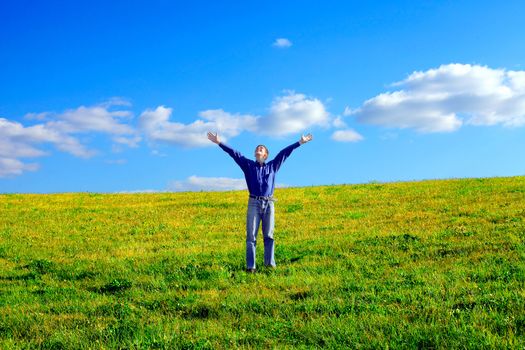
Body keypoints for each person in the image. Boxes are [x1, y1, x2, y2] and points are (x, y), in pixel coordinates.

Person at [207, 131, 313, 273]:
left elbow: (284, 153)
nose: (258, 149)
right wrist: (219, 142)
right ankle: (251, 267)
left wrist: (300, 142)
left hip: (269, 203)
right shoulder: (248, 165)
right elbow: (234, 153)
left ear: (265, 155)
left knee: (269, 235)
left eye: (261, 149)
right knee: (251, 236)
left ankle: (269, 265)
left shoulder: (273, 166)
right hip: (253, 203)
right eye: (257, 148)